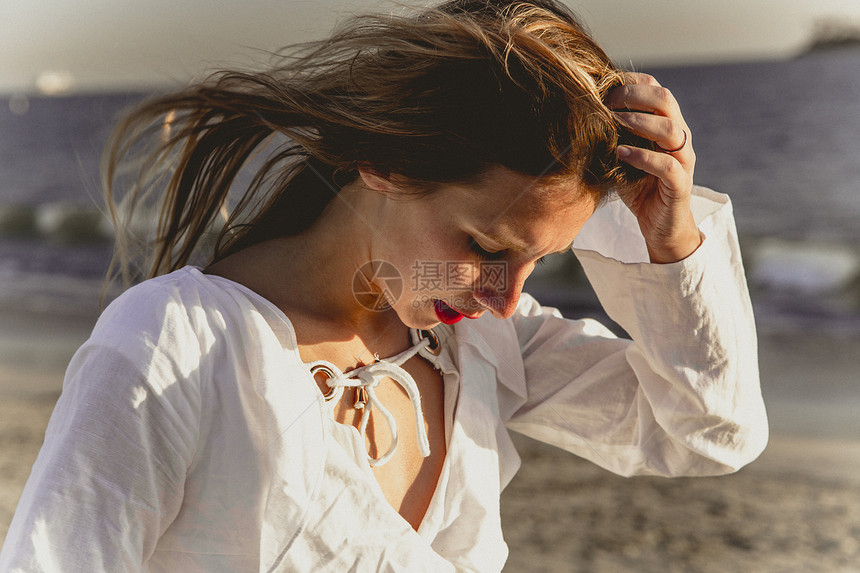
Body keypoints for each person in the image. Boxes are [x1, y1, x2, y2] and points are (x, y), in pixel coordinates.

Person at [0, 0, 768, 570]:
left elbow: (707, 430)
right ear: (385, 161)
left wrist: (669, 246)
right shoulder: (177, 347)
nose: (504, 296)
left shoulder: (478, 345)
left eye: (542, 261)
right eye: (484, 245)